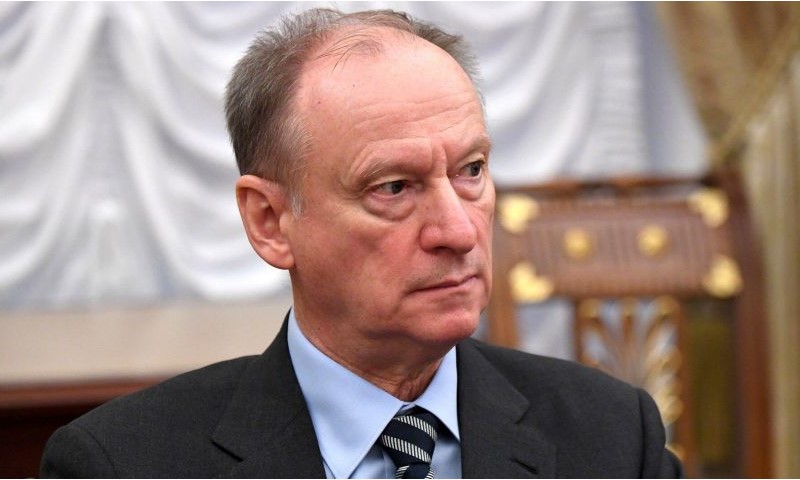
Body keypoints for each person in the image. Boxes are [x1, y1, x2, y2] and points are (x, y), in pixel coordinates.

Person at [40, 8, 682, 479]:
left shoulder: (612, 437)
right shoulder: (123, 462)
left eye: (471, 171)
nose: (459, 231)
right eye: (393, 187)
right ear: (270, 221)